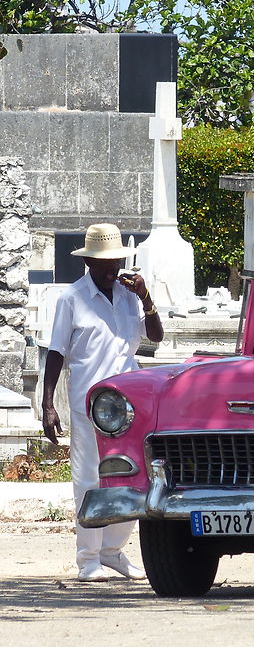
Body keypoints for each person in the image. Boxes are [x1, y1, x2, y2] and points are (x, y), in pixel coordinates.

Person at [41, 223, 164, 582]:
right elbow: (56, 352)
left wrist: (146, 297)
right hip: (89, 404)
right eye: (106, 262)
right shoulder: (73, 298)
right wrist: (49, 405)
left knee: (130, 477)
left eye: (118, 261)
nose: (114, 269)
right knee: (89, 479)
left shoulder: (129, 296)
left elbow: (155, 336)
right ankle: (88, 558)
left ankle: (112, 551)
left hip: (128, 406)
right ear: (90, 263)